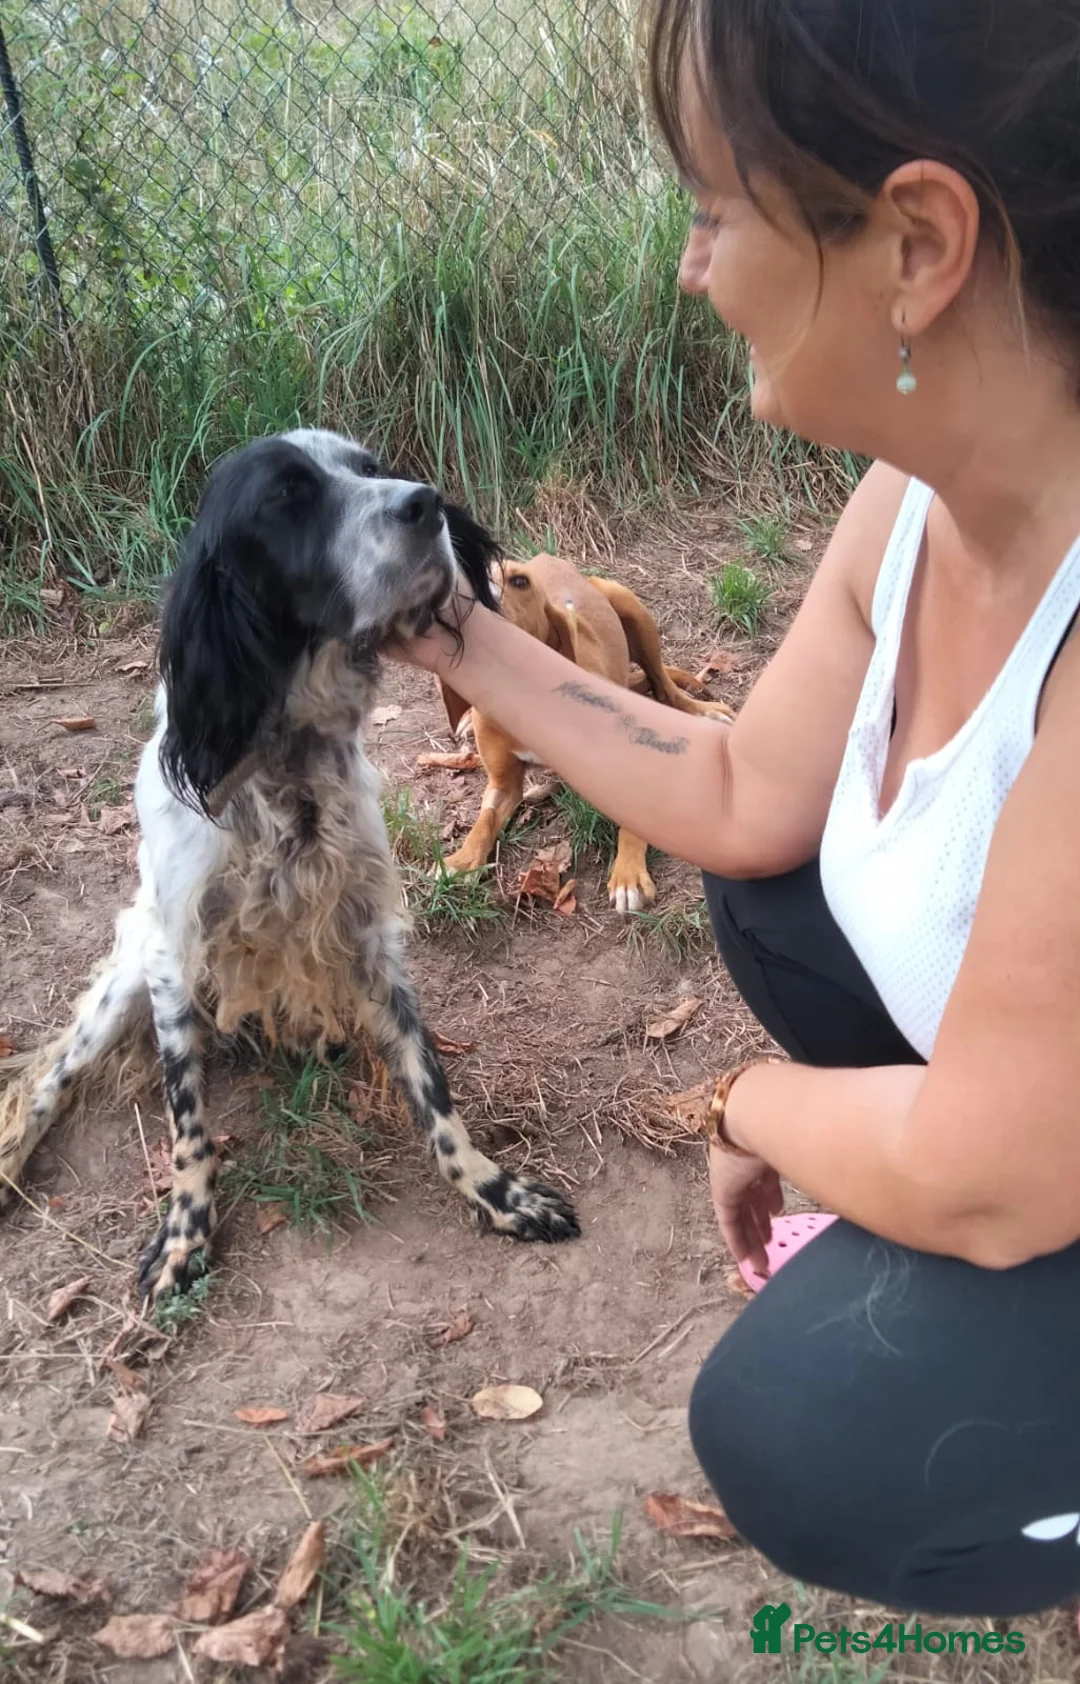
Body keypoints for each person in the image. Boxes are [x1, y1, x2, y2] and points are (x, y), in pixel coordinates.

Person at [395, 0, 1080, 1621]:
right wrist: (446, 628)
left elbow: (992, 1169)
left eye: (714, 212)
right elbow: (734, 785)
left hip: (1029, 1155)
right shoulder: (919, 499)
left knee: (811, 1434)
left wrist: (749, 1108)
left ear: (917, 242)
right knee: (782, 889)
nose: (693, 271)